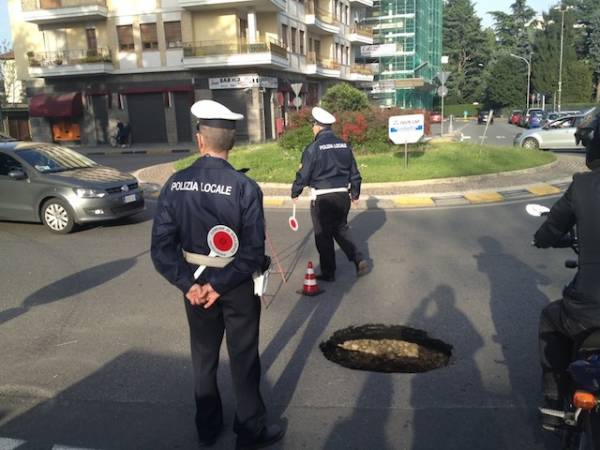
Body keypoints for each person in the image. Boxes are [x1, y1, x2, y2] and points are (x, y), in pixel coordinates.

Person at [151, 100, 285, 449]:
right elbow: (252, 253)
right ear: (233, 142)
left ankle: (207, 428)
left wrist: (190, 285)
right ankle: (250, 431)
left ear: (199, 140)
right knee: (243, 358)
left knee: (204, 357)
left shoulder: (174, 184)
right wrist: (218, 285)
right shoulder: (245, 187)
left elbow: (161, 248)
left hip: (194, 284)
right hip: (237, 285)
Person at [533, 107, 600, 429]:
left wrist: (543, 239)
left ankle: (553, 401)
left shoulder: (583, 186)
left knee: (550, 317)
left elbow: (548, 232)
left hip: (588, 309)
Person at [291, 106, 368, 282]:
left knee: (323, 236)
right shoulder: (344, 145)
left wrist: (295, 191)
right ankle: (358, 258)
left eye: (313, 126)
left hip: (322, 198)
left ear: (318, 127)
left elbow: (304, 174)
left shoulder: (313, 148)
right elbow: (355, 174)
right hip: (342, 196)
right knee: (341, 228)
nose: (312, 129)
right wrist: (355, 194)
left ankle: (329, 273)